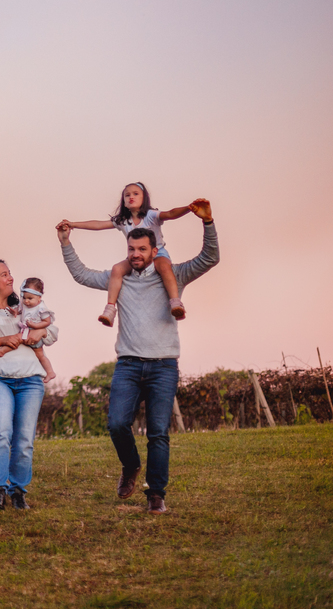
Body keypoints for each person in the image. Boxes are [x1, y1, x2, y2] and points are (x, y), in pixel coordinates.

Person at [56, 199, 218, 514]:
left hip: (163, 366)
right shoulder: (120, 278)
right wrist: (66, 243)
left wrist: (208, 223)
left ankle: (156, 494)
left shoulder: (174, 274)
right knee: (117, 424)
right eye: (131, 249)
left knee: (158, 432)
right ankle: (130, 466)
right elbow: (82, 275)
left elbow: (210, 257)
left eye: (142, 249)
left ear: (154, 251)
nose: (135, 255)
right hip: (128, 365)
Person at [0, 259, 57, 511]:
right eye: (4, 275)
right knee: (1, 432)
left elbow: (53, 331)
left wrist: (40, 333)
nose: (10, 278)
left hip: (29, 380)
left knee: (25, 438)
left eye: (10, 273)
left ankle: (18, 491)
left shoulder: (26, 304)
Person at [60, 182, 204, 325]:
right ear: (123, 201)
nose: (131, 197)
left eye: (136, 194)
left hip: (157, 252)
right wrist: (73, 224)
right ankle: (110, 309)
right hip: (135, 256)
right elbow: (98, 225)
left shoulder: (151, 215)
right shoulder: (123, 221)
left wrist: (189, 208)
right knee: (117, 269)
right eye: (127, 195)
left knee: (165, 268)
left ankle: (175, 303)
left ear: (144, 198)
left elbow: (171, 214)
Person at [12, 277, 56, 384]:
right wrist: (14, 311)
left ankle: (50, 372)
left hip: (34, 335)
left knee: (40, 355)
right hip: (26, 332)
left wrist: (35, 326)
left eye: (30, 298)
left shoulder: (41, 308)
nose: (26, 301)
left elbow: (47, 321)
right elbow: (20, 310)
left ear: (39, 298)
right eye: (24, 298)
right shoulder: (25, 305)